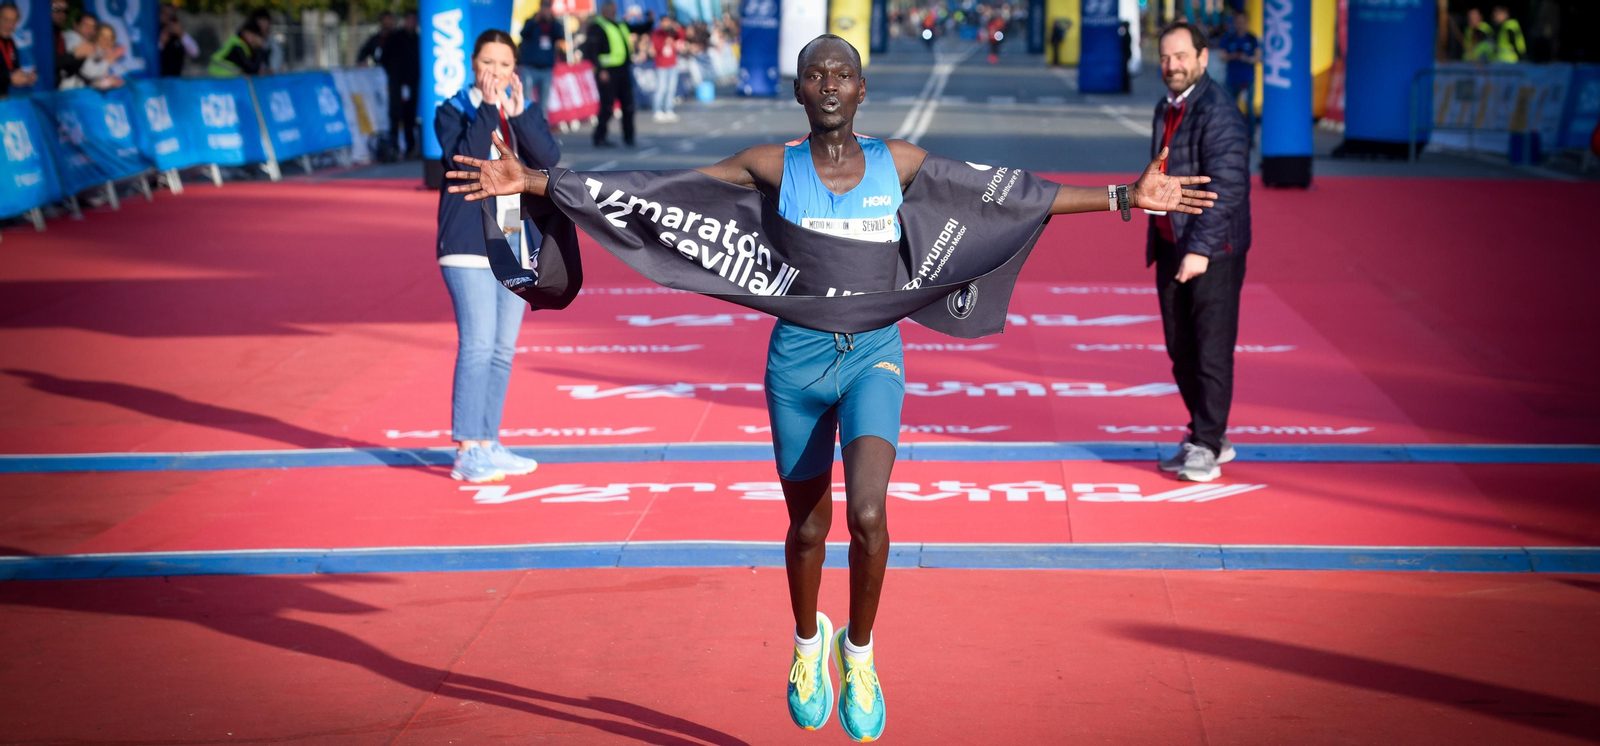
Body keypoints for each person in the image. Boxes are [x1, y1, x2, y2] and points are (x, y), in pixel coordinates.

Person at [444, 33, 1216, 742]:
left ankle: (862, 652)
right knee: (809, 531)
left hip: (874, 356)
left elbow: (1013, 195)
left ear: (862, 87)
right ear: (801, 91)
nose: (830, 82)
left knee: (872, 516)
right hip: (796, 369)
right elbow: (655, 192)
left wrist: (1124, 197)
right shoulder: (770, 165)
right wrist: (537, 179)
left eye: (842, 71)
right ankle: (807, 643)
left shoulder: (901, 162)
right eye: (816, 72)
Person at [433, 29, 560, 483]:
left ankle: (489, 441)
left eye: (504, 65)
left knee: (503, 349)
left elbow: (550, 161)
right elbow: (463, 162)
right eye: (488, 63)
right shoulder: (453, 110)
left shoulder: (517, 112)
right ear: (473, 64)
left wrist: (520, 114)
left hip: (512, 239)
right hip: (467, 242)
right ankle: (467, 449)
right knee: (479, 343)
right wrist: (488, 108)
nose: (496, 73)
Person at [1147, 22, 1250, 483]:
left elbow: (1228, 189)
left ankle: (1209, 443)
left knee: (1210, 350)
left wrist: (1201, 249)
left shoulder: (1219, 112)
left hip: (1211, 251)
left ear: (1203, 58)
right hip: (1171, 244)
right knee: (1180, 349)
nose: (1172, 65)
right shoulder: (1165, 107)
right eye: (1166, 57)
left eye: (1181, 56)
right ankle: (1206, 435)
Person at [580, 1, 653, 147]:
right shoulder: (597, 26)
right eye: (612, 9)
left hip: (623, 70)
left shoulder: (620, 24)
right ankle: (599, 136)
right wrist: (600, 70)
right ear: (605, 10)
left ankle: (629, 137)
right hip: (608, 72)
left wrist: (650, 20)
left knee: (628, 105)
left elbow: (639, 29)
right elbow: (591, 51)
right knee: (607, 106)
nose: (614, 12)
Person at [1215, 12, 1259, 149]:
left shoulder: (1252, 39)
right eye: (1238, 22)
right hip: (1232, 79)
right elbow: (1221, 56)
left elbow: (1258, 58)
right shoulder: (1229, 38)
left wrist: (1246, 58)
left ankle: (1250, 138)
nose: (1240, 24)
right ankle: (1229, 137)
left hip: (1247, 79)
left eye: (1243, 22)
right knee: (1229, 109)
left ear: (1247, 23)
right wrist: (1232, 56)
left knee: (1250, 110)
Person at [382, 11, 422, 158]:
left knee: (409, 117)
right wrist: (394, 75)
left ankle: (410, 148)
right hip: (397, 83)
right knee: (395, 115)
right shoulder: (395, 38)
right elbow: (384, 58)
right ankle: (394, 147)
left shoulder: (417, 39)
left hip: (412, 84)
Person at [518, 4, 561, 108]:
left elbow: (560, 35)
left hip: (546, 69)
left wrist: (552, 20)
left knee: (544, 103)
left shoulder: (554, 24)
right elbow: (523, 33)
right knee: (526, 99)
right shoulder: (531, 22)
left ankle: (541, 123)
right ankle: (526, 122)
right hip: (530, 68)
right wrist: (534, 20)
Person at [0, 2, 38, 97]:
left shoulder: (10, 42)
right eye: (6, 20)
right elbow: (8, 77)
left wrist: (25, 77)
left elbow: (12, 70)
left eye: (13, 21)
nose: (9, 25)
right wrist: (9, 79)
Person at [649, 15, 682, 121]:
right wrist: (665, 42)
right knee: (661, 89)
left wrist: (676, 27)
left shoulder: (672, 32)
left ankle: (669, 109)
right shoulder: (657, 33)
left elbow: (681, 35)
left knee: (671, 89)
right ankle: (657, 110)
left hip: (672, 64)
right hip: (661, 65)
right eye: (664, 22)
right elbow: (655, 48)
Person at [157, 4, 197, 77]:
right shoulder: (154, 33)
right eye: (165, 14)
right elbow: (150, 58)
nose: (168, 18)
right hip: (158, 80)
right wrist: (162, 42)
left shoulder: (179, 35)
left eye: (171, 15)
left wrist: (181, 35)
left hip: (176, 80)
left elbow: (195, 53)